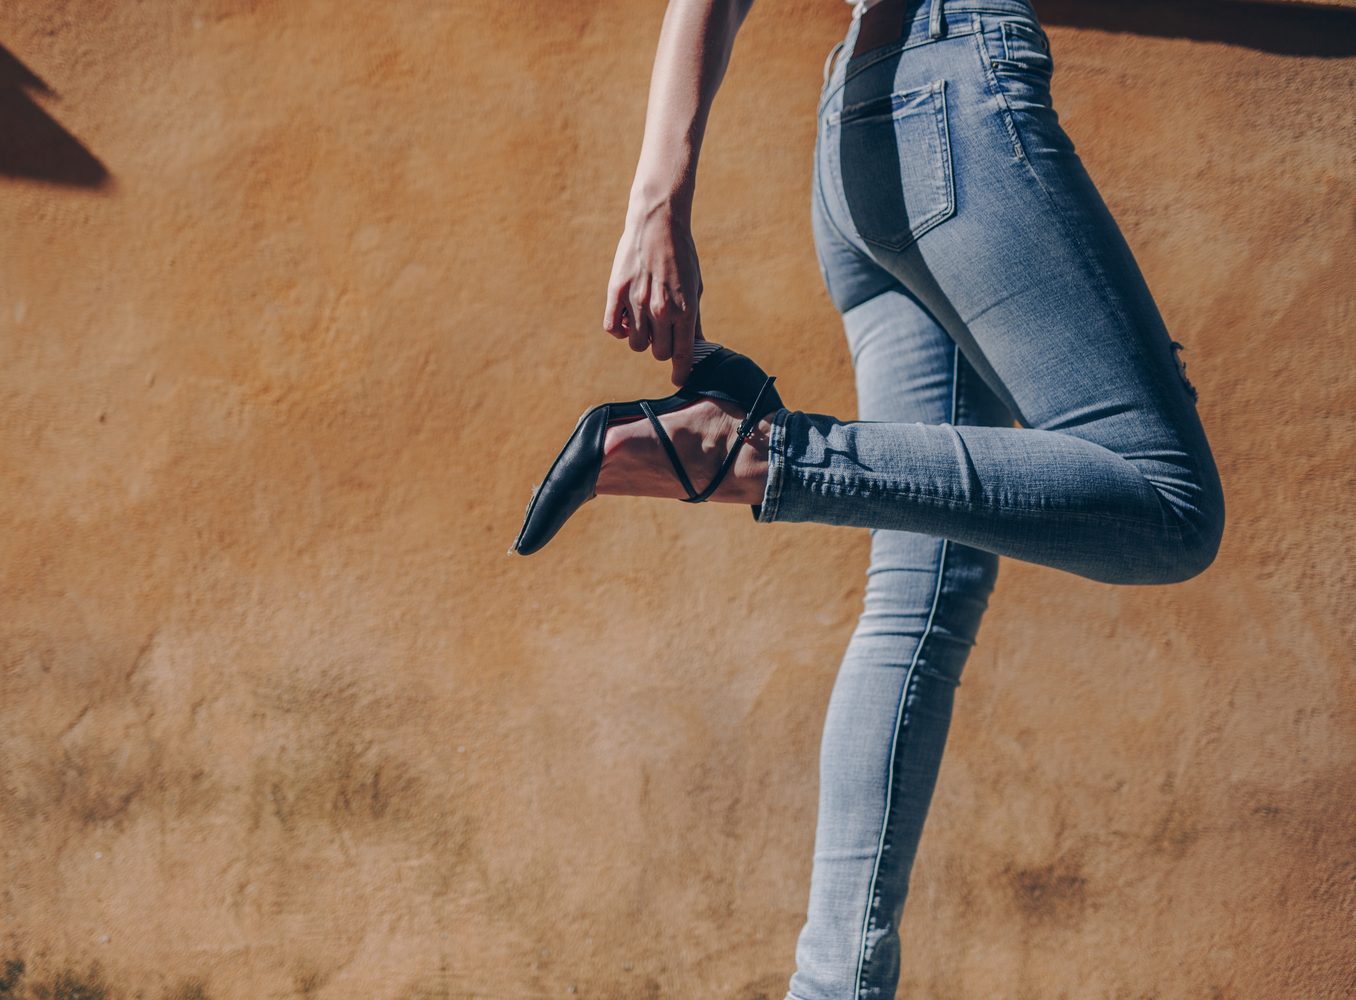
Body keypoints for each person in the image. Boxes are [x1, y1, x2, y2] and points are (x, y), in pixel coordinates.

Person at [520, 0, 1225, 997]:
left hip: (868, 127)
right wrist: (654, 201)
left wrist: (663, 199)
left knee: (920, 599)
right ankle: (745, 449)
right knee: (1170, 505)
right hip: (957, 96)